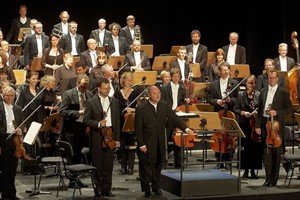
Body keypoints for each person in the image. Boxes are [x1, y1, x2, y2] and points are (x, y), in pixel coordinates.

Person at [135, 85, 194, 198]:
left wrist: (186, 129)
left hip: (160, 142)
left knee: (157, 167)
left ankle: (156, 188)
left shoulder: (164, 106)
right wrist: (141, 143)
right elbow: (138, 129)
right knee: (146, 168)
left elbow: (175, 118)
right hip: (146, 143)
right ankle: (147, 190)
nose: (157, 95)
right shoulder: (141, 108)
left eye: (159, 93)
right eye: (154, 93)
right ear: (149, 95)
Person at [83, 77, 120, 198]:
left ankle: (107, 189)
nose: (108, 90)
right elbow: (86, 120)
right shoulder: (91, 102)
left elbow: (117, 121)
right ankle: (97, 189)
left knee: (108, 165)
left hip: (110, 136)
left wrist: (117, 139)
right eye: (105, 89)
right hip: (97, 136)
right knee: (98, 165)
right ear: (98, 89)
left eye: (109, 88)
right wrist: (98, 124)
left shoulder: (114, 102)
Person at [255, 69, 292, 187]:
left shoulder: (283, 92)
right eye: (269, 78)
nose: (271, 80)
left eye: (273, 78)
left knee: (276, 154)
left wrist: (277, 112)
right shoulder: (263, 91)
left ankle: (274, 180)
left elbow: (289, 109)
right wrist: (257, 126)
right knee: (266, 154)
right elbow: (260, 110)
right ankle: (267, 178)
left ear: (277, 79)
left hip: (276, 126)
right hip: (265, 124)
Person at [209, 62, 239, 169]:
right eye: (223, 70)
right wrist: (217, 101)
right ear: (219, 72)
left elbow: (238, 99)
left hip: (230, 113)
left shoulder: (234, 83)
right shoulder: (213, 84)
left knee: (229, 136)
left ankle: (229, 160)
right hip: (218, 113)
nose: (226, 72)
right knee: (218, 136)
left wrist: (230, 100)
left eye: (227, 70)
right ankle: (219, 160)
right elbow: (209, 99)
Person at [233, 75, 263, 179]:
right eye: (249, 83)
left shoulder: (259, 94)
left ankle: (253, 171)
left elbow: (261, 108)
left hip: (255, 125)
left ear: (255, 84)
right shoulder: (241, 94)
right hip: (244, 124)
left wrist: (256, 112)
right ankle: (245, 170)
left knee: (254, 148)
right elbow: (235, 108)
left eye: (253, 83)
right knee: (245, 148)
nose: (251, 85)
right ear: (246, 84)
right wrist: (243, 112)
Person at [161, 68, 188, 168]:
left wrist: (183, 105)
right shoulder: (165, 87)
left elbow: (181, 101)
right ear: (171, 77)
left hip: (178, 116)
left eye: (178, 76)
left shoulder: (182, 88)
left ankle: (179, 162)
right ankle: (163, 162)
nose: (177, 78)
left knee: (179, 139)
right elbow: (162, 102)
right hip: (168, 116)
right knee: (165, 140)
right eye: (175, 76)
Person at [0, 86, 23, 200]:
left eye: (11, 96)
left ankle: (12, 193)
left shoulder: (17, 108)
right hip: (3, 139)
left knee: (13, 167)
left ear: (14, 96)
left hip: (14, 140)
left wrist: (20, 129)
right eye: (7, 95)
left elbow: (21, 123)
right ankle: (4, 194)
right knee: (4, 168)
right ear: (3, 96)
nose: (9, 98)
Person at [115, 72, 139, 175]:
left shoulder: (135, 92)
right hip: (121, 120)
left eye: (131, 80)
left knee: (131, 144)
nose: (129, 82)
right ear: (123, 80)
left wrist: (132, 110)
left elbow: (140, 108)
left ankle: (131, 167)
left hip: (131, 121)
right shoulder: (117, 92)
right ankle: (123, 167)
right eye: (128, 79)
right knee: (123, 145)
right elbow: (115, 107)